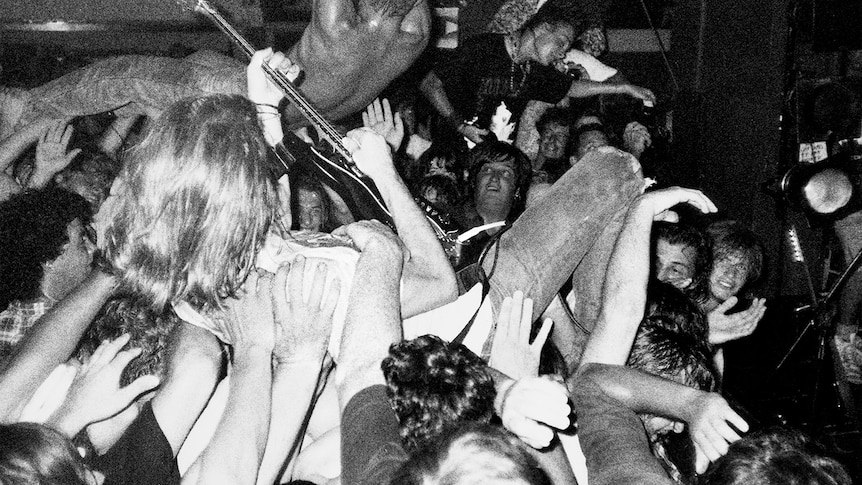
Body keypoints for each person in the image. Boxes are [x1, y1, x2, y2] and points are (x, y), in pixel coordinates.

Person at [0, 0, 430, 138]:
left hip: (251, 95)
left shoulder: (338, 26)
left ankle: (28, 105)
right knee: (195, 65)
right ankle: (130, 112)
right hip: (296, 117)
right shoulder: (414, 37)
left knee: (126, 72)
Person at [420, 15, 655, 144]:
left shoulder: (534, 70)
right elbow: (430, 84)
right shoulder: (484, 48)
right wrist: (460, 125)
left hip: (491, 157)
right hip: (450, 148)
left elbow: (571, 88)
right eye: (561, 42)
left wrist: (622, 87)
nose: (562, 52)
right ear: (542, 29)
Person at [0, 187, 95, 359]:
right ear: (48, 258)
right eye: (82, 240)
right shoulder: (59, 334)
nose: (93, 248)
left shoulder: (7, 320)